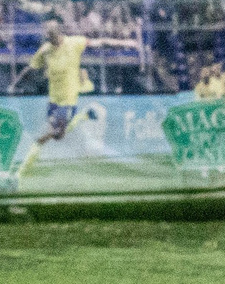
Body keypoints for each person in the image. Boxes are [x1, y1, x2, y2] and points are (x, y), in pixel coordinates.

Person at [18, 17, 143, 173]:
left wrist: (127, 43)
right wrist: (16, 83)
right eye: (47, 33)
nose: (49, 36)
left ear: (58, 31)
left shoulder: (74, 43)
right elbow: (31, 67)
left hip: (68, 99)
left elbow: (101, 42)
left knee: (48, 135)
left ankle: (19, 174)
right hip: (53, 99)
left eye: (51, 33)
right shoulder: (45, 50)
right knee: (57, 136)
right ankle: (84, 116)